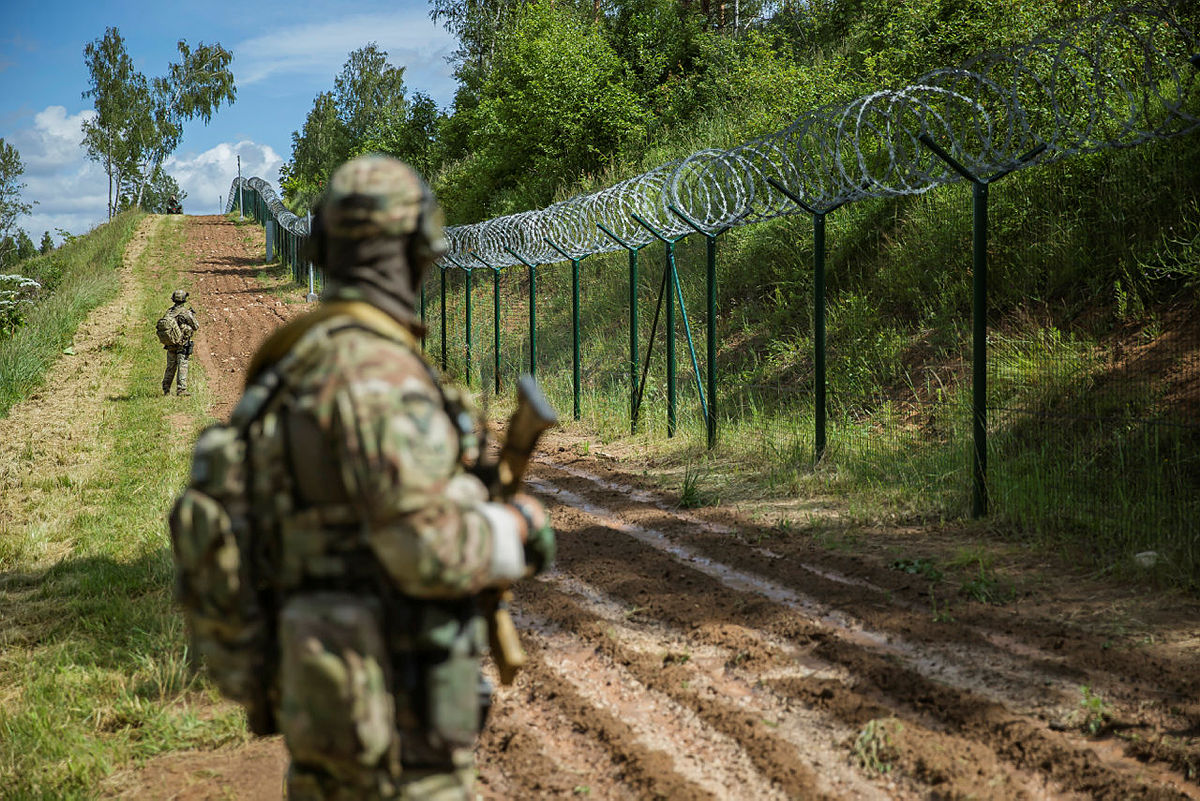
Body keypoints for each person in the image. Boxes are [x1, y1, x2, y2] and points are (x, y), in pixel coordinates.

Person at [180, 154, 554, 800]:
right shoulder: (377, 375)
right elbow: (424, 548)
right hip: (397, 727)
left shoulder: (295, 363)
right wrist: (515, 527)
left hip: (333, 711)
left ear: (321, 246)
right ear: (421, 247)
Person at [161, 289, 198, 396]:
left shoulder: (169, 312)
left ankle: (166, 388)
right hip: (182, 343)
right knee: (183, 365)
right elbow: (196, 326)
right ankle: (181, 389)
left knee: (170, 366)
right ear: (184, 300)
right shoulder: (185, 312)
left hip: (170, 343)